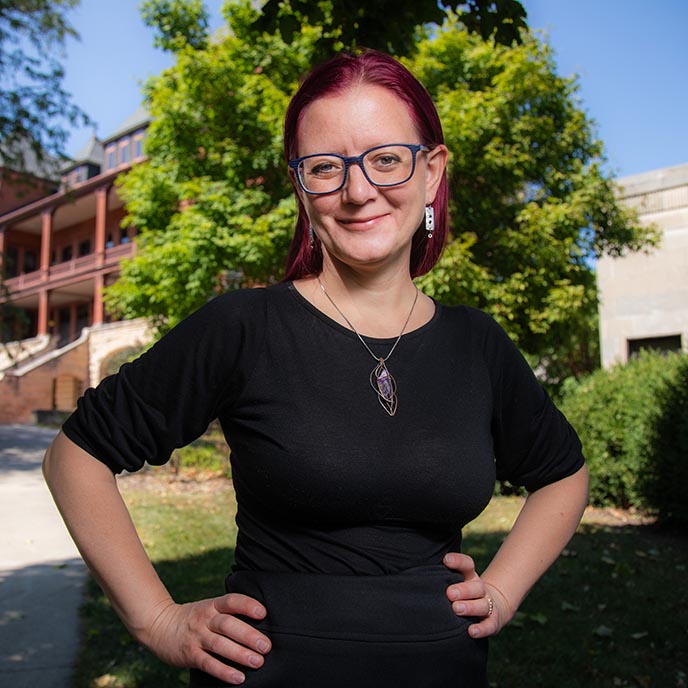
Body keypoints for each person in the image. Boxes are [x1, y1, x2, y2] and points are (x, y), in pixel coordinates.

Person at [43, 50, 588, 687]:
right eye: (327, 168)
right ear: (302, 186)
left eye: (387, 159)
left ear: (432, 170)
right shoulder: (244, 328)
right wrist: (156, 620)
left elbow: (563, 474)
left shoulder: (478, 344)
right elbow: (74, 456)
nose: (359, 191)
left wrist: (503, 589)